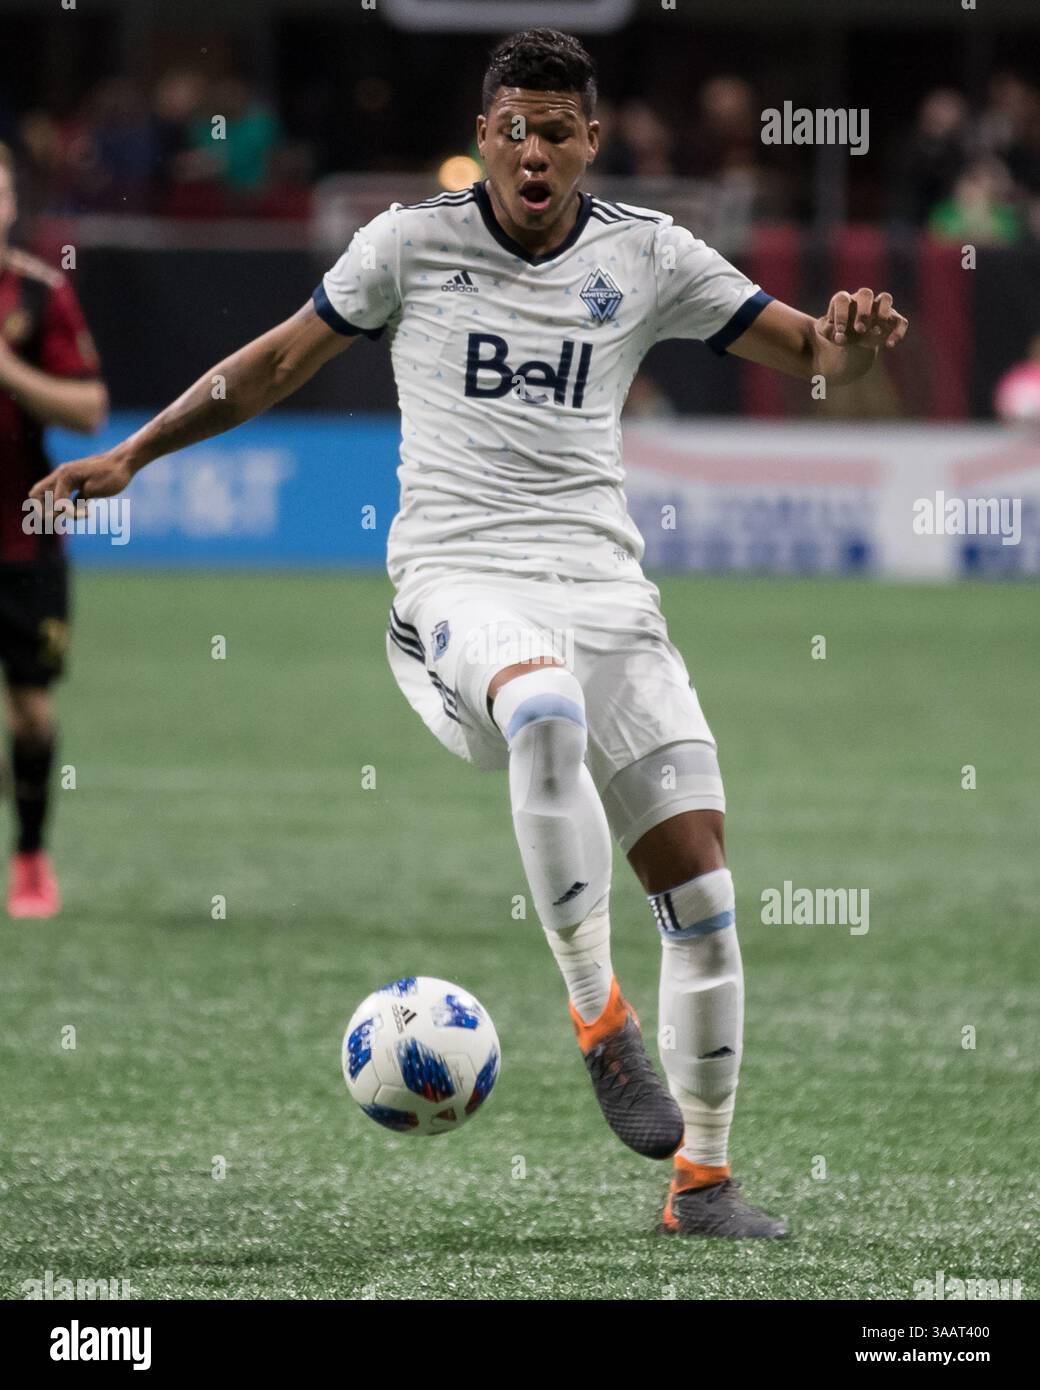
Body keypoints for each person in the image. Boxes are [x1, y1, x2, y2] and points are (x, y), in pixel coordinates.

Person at [30, 30, 908, 1236]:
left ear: (589, 141)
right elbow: (276, 361)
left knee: (703, 893)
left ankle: (700, 1180)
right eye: (513, 126)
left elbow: (815, 353)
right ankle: (599, 1018)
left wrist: (849, 352)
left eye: (557, 128)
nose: (533, 149)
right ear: (483, 133)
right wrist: (134, 449)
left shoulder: (650, 255)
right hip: (457, 579)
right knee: (540, 707)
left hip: (606, 590)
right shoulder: (407, 243)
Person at [0, 141, 108, 916]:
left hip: (22, 535)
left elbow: (88, 408)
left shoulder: (38, 296)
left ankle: (31, 857)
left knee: (32, 711)